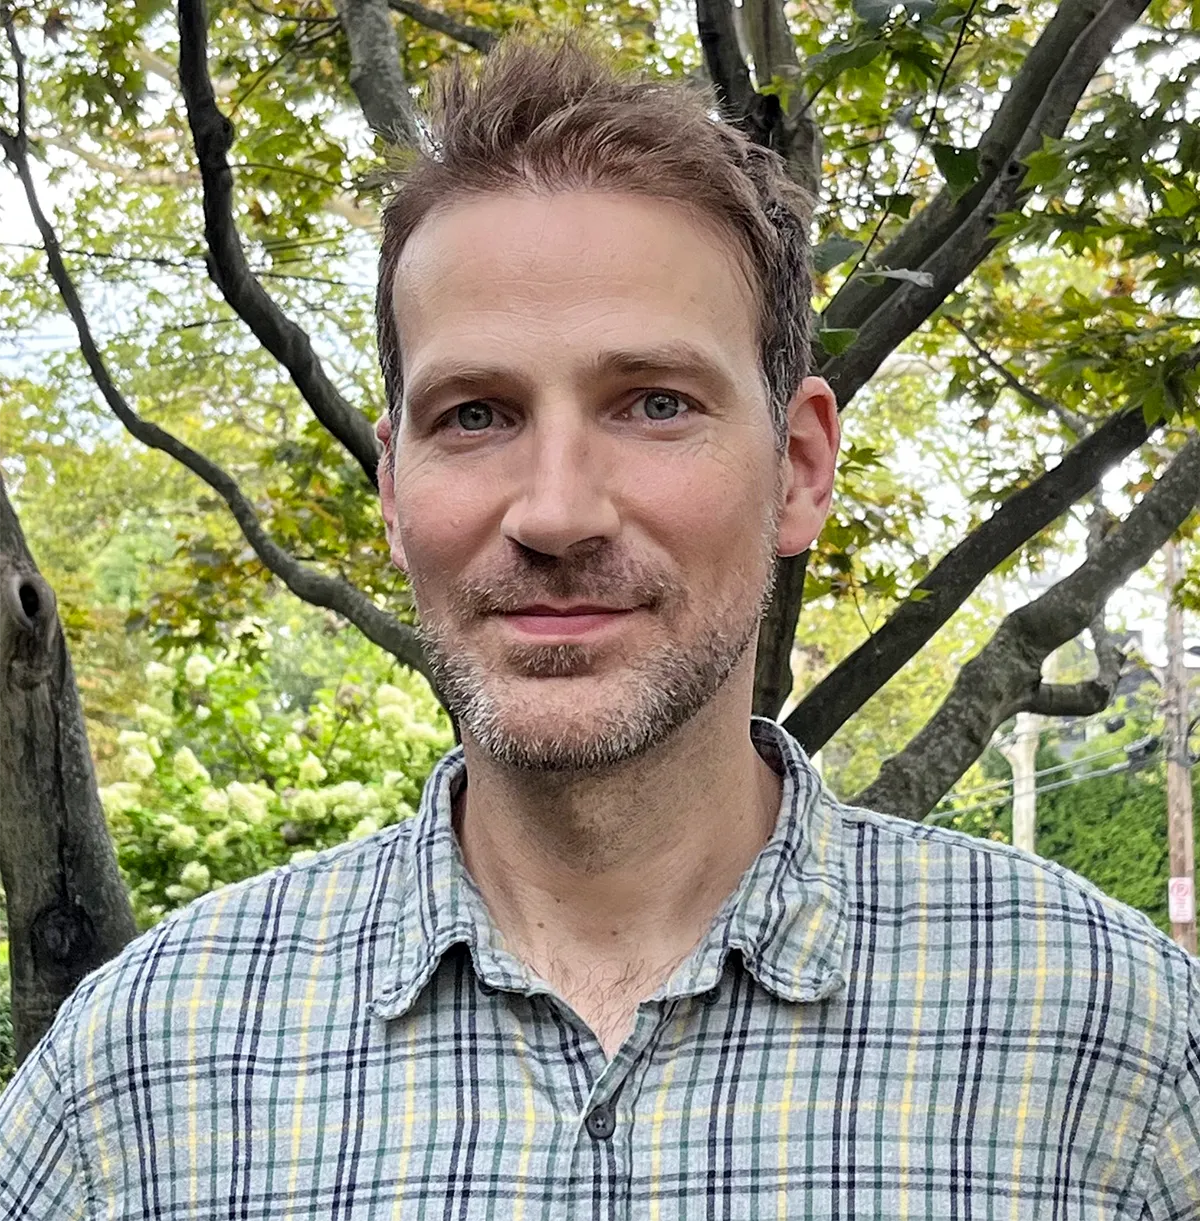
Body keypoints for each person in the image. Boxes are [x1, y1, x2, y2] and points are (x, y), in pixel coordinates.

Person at [2, 34, 1198, 1221]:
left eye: (655, 404)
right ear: (393, 490)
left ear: (797, 467)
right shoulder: (139, 1081)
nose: (557, 512)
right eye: (475, 414)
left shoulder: (1116, 1052)